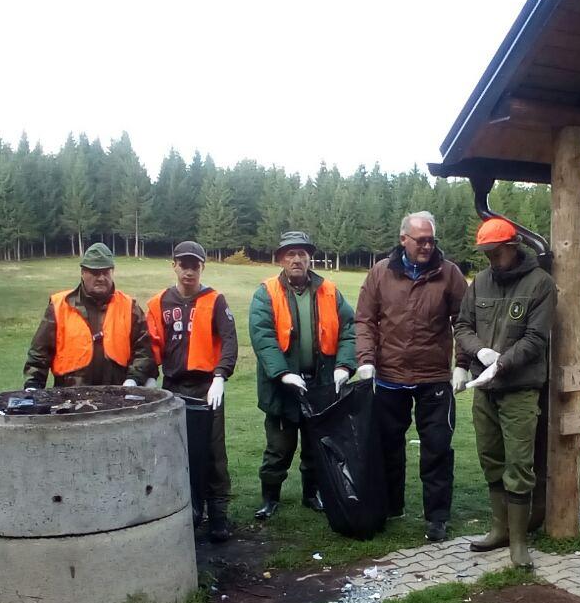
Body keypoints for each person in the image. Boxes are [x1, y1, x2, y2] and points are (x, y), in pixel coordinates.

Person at [354, 211, 467, 541]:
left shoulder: (449, 274)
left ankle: (437, 517)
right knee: (388, 445)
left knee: (437, 448)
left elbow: (464, 321)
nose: (427, 246)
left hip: (433, 378)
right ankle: (391, 506)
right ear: (403, 239)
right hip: (390, 376)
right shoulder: (380, 273)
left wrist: (462, 362)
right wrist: (366, 360)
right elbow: (364, 320)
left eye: (432, 240)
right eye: (421, 240)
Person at [453, 217, 554, 569]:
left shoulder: (541, 283)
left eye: (495, 253)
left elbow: (536, 339)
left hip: (520, 390)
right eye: (486, 254)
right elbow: (463, 325)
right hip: (484, 387)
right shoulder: (479, 282)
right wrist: (477, 355)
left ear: (512, 247)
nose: (491, 260)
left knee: (519, 464)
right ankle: (499, 530)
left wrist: (503, 363)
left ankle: (519, 542)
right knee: (491, 458)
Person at [248, 230, 357, 519]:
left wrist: (345, 365)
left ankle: (312, 494)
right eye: (290, 254)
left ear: (310, 258)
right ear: (281, 259)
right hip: (282, 388)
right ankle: (269, 498)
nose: (297, 259)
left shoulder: (329, 291)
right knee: (278, 449)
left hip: (319, 384)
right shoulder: (266, 292)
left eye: (302, 253)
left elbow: (350, 329)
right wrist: (282, 374)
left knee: (315, 446)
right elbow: (263, 336)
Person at [147, 241, 239, 542]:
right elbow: (152, 344)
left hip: (206, 387)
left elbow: (229, 341)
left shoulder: (214, 300)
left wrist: (220, 376)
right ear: (174, 265)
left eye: (195, 265)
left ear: (203, 267)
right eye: (184, 265)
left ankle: (218, 514)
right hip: (173, 386)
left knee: (213, 451)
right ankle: (185, 509)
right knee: (176, 451)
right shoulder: (159, 302)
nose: (189, 271)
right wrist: (149, 376)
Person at [24, 242, 154, 389]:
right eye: (95, 272)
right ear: (83, 272)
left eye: (106, 272)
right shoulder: (59, 305)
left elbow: (143, 351)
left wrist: (133, 380)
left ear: (112, 272)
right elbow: (40, 352)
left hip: (117, 397)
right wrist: (33, 384)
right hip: (69, 398)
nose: (101, 278)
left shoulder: (130, 307)